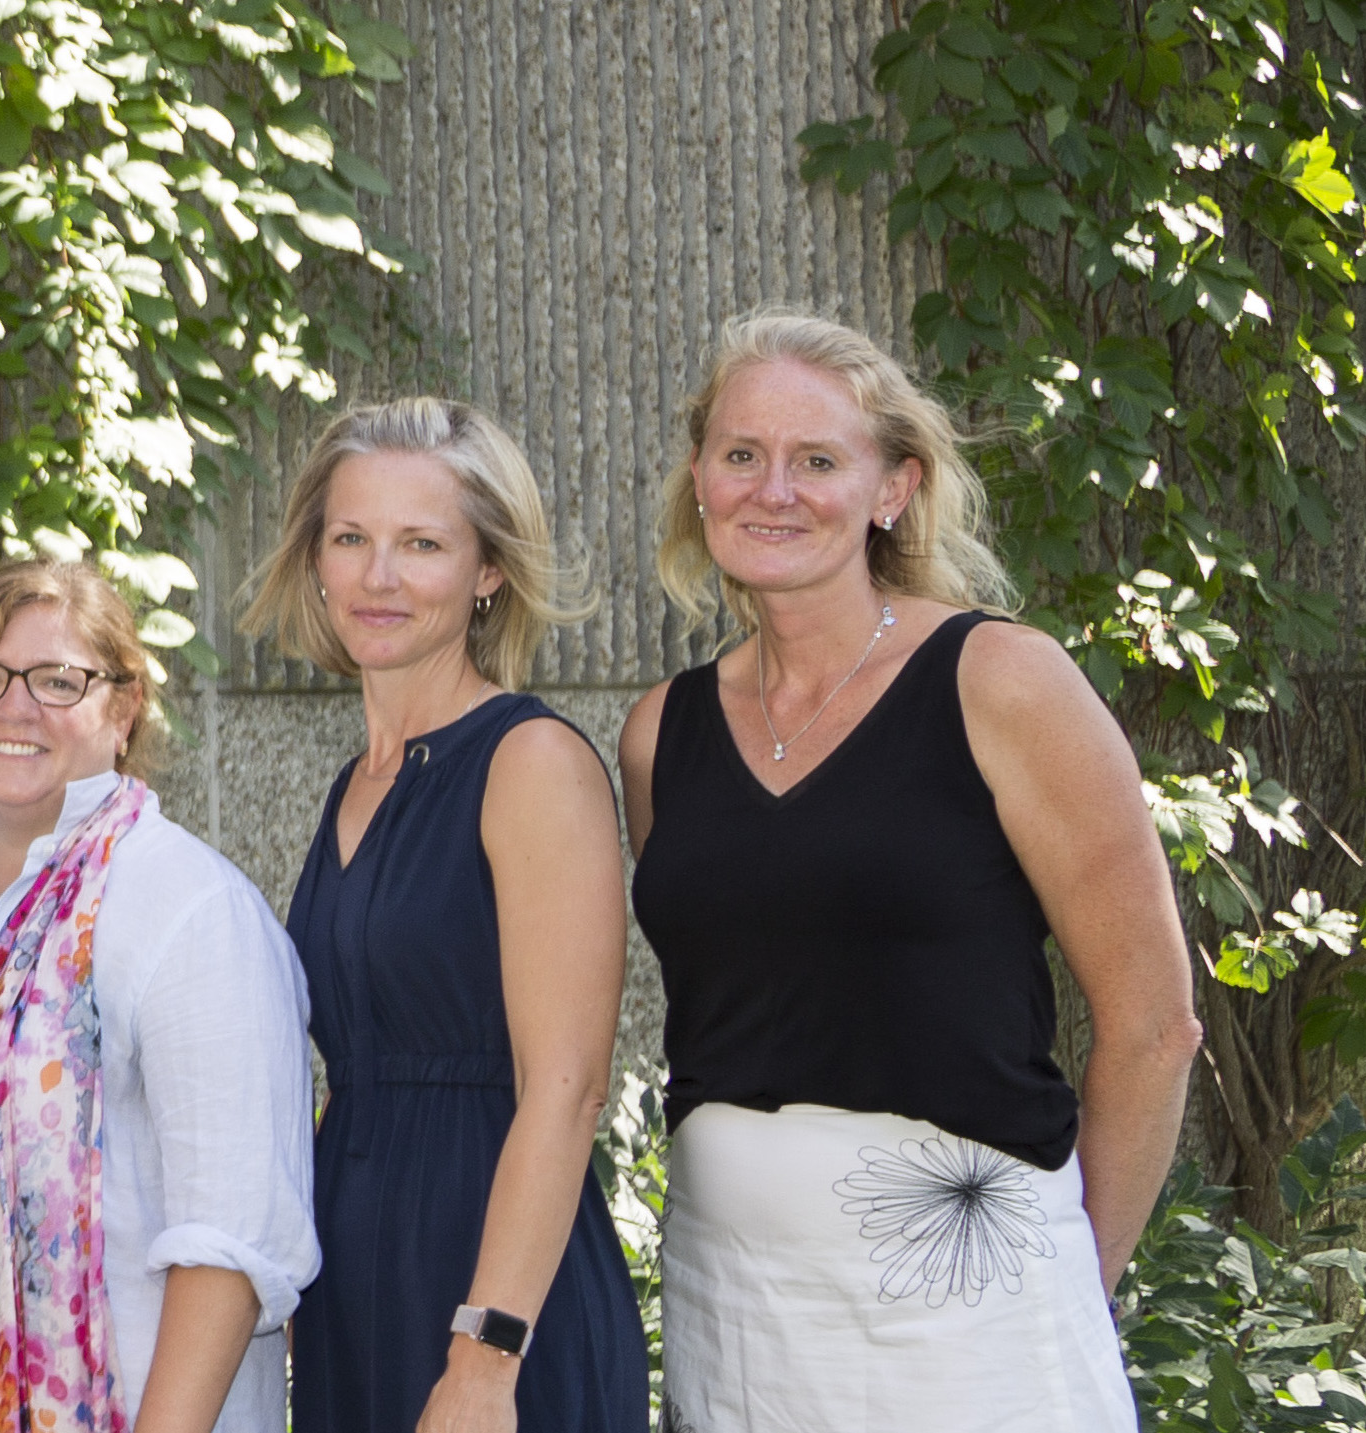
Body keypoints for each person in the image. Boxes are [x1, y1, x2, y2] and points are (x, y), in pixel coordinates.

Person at [619, 312, 1193, 1432]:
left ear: (891, 488)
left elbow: (1150, 1026)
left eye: (817, 460)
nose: (771, 488)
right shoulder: (659, 733)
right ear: (699, 479)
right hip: (729, 1305)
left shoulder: (1000, 681)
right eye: (740, 455)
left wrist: (1069, 1278)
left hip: (964, 1304)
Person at [235, 400, 643, 1432]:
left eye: (420, 543)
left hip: (488, 1286)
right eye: (350, 538)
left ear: (487, 570)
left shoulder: (529, 762)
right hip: (354, 1280)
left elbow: (565, 1086)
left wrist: (484, 1354)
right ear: (314, 560)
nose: (378, 577)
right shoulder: (352, 784)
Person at [0, 556, 318, 1433]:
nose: (14, 706)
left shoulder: (188, 907)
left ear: (121, 710)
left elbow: (227, 1246)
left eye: (56, 679)